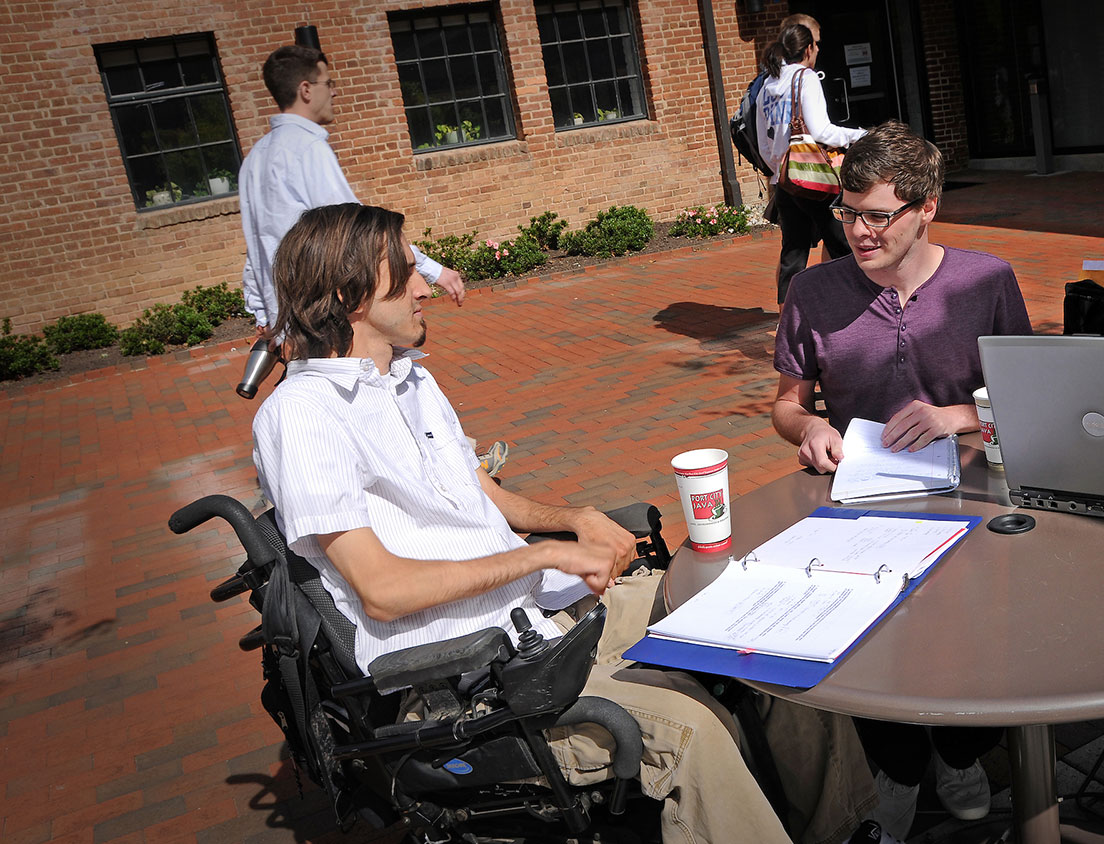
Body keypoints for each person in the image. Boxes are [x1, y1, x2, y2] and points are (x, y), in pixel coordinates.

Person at [252, 203, 876, 844]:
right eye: (404, 272)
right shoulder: (304, 416)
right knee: (691, 732)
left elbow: (480, 492)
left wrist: (577, 520)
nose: (424, 285)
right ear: (344, 295)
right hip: (470, 677)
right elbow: (380, 591)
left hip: (542, 619)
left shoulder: (410, 380)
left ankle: (850, 828)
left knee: (765, 628)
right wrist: (540, 557)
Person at [772, 121, 1032, 840]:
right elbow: (788, 405)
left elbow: (1026, 400)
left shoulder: (986, 280)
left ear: (927, 207)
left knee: (969, 637)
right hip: (860, 506)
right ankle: (898, 769)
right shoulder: (814, 291)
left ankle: (959, 754)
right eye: (847, 212)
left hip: (973, 500)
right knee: (865, 645)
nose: (858, 231)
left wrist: (955, 416)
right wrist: (810, 429)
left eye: (878, 215)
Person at [238, 45, 465, 339]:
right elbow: (359, 232)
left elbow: (255, 242)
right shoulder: (307, 148)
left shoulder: (255, 158)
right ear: (306, 90)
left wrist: (262, 312)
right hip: (321, 317)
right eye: (328, 83)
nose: (333, 92)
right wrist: (435, 271)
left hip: (287, 321)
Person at [757, 16, 867, 305]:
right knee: (843, 247)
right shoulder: (804, 78)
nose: (818, 51)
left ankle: (785, 326)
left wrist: (781, 169)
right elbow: (821, 131)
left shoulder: (767, 85)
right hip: (813, 178)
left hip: (784, 182)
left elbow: (763, 143)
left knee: (792, 255)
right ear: (806, 50)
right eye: (816, 45)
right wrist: (860, 135)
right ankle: (852, 313)